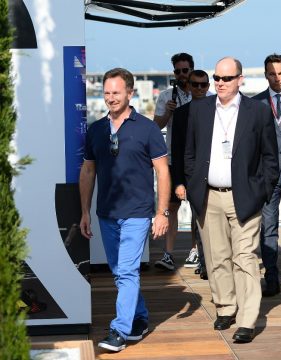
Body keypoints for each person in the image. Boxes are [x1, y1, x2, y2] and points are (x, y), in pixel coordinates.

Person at [185, 57, 279, 343]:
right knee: (215, 257)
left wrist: (260, 192)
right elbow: (189, 154)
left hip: (245, 198)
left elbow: (270, 158)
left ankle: (247, 320)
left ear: (241, 79)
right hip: (208, 196)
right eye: (217, 78)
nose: (220, 83)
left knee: (245, 259)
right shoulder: (199, 110)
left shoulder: (258, 112)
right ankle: (225, 307)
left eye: (227, 78)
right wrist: (192, 186)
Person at [79, 68, 170, 352]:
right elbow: (88, 171)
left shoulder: (148, 128)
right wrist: (85, 212)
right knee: (120, 271)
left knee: (128, 271)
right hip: (107, 213)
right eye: (106, 92)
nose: (110, 98)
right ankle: (140, 318)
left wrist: (161, 212)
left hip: (138, 213)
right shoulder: (96, 130)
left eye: (116, 92)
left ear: (130, 93)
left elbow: (163, 173)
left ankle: (118, 330)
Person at [154, 52, 199, 271]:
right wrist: (168, 114)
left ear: (192, 70)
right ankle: (168, 253)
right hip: (173, 158)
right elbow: (156, 127)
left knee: (197, 207)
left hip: (197, 159)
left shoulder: (201, 94)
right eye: (178, 71)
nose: (182, 75)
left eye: (185, 70)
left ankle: (195, 250)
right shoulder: (165, 96)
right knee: (172, 206)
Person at [252, 54, 281, 297]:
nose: (277, 78)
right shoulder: (256, 104)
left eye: (280, 73)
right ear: (266, 75)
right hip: (269, 175)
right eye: (271, 74)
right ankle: (271, 277)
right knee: (269, 227)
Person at [171, 69, 211, 280]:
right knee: (199, 222)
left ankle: (212, 264)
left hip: (216, 175)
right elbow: (176, 151)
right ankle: (205, 264)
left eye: (203, 84)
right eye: (195, 84)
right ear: (189, 86)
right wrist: (178, 182)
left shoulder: (218, 109)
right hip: (191, 177)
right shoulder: (180, 114)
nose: (199, 88)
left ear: (208, 86)